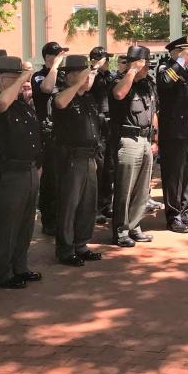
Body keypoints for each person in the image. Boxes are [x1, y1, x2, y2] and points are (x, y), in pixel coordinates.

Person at [0, 55, 42, 289]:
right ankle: (3, 273)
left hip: (28, 170)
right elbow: (1, 104)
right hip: (8, 173)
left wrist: (38, 165)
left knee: (25, 224)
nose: (20, 82)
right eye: (13, 78)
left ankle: (20, 266)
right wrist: (20, 80)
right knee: (6, 225)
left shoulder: (22, 105)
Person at [51, 55, 105, 265]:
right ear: (69, 76)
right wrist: (77, 84)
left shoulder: (88, 99)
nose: (87, 79)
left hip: (89, 156)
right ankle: (65, 249)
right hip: (71, 158)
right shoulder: (63, 96)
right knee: (69, 204)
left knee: (87, 204)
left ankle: (81, 244)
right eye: (82, 74)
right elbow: (60, 102)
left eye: (89, 74)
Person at [157, 36, 188, 233]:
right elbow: (165, 82)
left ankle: (184, 212)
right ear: (177, 52)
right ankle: (173, 216)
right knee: (174, 177)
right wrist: (179, 63)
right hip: (175, 133)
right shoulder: (166, 68)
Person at [109, 46, 157, 246]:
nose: (147, 69)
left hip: (145, 139)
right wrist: (131, 72)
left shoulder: (148, 84)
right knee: (125, 189)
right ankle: (121, 230)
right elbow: (119, 94)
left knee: (142, 189)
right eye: (143, 64)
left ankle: (135, 226)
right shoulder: (119, 80)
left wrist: (155, 139)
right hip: (128, 139)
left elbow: (154, 112)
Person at [31, 41, 69, 236]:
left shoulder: (63, 76)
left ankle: (62, 216)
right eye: (58, 56)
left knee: (65, 178)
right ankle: (49, 220)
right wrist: (53, 66)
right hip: (48, 132)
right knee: (50, 179)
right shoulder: (39, 75)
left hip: (65, 132)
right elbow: (46, 89)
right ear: (47, 58)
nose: (61, 60)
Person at [87, 47, 115, 226]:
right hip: (96, 121)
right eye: (105, 59)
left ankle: (106, 203)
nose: (107, 62)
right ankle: (95, 207)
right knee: (99, 165)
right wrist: (94, 68)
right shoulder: (90, 74)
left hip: (111, 123)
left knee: (110, 166)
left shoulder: (110, 76)